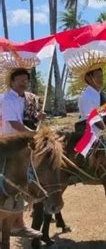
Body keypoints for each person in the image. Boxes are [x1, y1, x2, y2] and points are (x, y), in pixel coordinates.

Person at [0, 67, 45, 239]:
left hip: (22, 147)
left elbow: (28, 121)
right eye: (19, 79)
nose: (23, 83)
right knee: (9, 185)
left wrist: (38, 118)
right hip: (7, 146)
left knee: (21, 184)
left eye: (25, 80)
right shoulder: (5, 99)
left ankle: (19, 224)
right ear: (11, 82)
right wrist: (34, 135)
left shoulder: (28, 99)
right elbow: (15, 124)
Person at [75, 60, 106, 134]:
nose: (101, 79)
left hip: (104, 135)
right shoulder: (85, 96)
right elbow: (93, 118)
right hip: (91, 136)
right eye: (98, 76)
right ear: (88, 78)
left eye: (101, 76)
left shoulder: (104, 95)